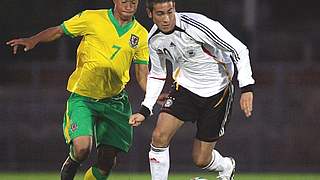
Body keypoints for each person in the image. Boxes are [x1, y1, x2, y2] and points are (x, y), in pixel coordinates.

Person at [6, 0, 149, 179]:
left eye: (133, 2)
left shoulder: (141, 34)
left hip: (115, 101)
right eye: (125, 1)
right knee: (82, 148)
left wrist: (152, 94)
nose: (129, 6)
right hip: (84, 98)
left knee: (107, 161)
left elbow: (142, 72)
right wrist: (33, 40)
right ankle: (72, 161)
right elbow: (59, 30)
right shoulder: (92, 17)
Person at [129, 0, 255, 180]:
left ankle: (227, 166)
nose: (166, 18)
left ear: (174, 8)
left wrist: (246, 87)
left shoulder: (197, 26)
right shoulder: (154, 39)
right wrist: (145, 109)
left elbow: (239, 50)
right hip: (184, 88)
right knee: (158, 136)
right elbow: (157, 74)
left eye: (170, 11)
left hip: (217, 92)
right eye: (160, 14)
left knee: (201, 159)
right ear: (150, 14)